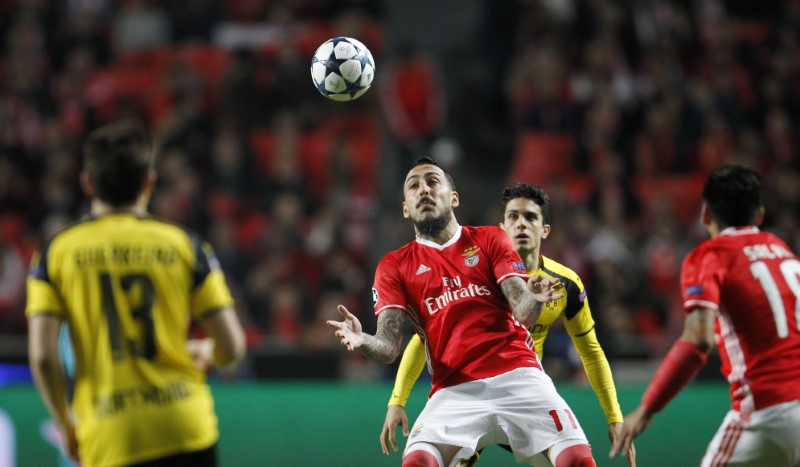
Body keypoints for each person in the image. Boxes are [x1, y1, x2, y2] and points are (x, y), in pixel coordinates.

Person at [328, 157, 596, 467]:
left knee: (577, 460)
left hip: (519, 376)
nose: (423, 190)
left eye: (432, 182)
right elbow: (388, 347)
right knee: (417, 462)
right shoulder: (395, 265)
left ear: (453, 198)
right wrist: (363, 341)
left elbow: (523, 313)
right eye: (413, 186)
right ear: (405, 208)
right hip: (454, 390)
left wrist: (534, 298)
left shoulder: (489, 239)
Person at [26, 121, 247, 467]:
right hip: (185, 429)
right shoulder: (185, 245)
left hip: (109, 435)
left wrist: (65, 423)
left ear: (87, 182)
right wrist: (208, 350)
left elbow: (42, 355)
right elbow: (232, 346)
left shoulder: (56, 254)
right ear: (149, 181)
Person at [380, 182, 635, 466]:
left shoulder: (565, 284)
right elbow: (423, 337)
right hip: (469, 390)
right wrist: (397, 400)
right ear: (502, 226)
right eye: (513, 217)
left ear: (545, 230)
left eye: (530, 218)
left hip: (524, 391)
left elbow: (591, 352)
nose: (521, 225)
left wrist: (614, 417)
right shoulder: (477, 266)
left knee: (573, 459)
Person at [610, 164, 800, 466]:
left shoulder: (709, 255)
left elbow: (698, 340)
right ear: (760, 215)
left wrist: (646, 409)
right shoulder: (783, 250)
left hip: (766, 413)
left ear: (706, 215)